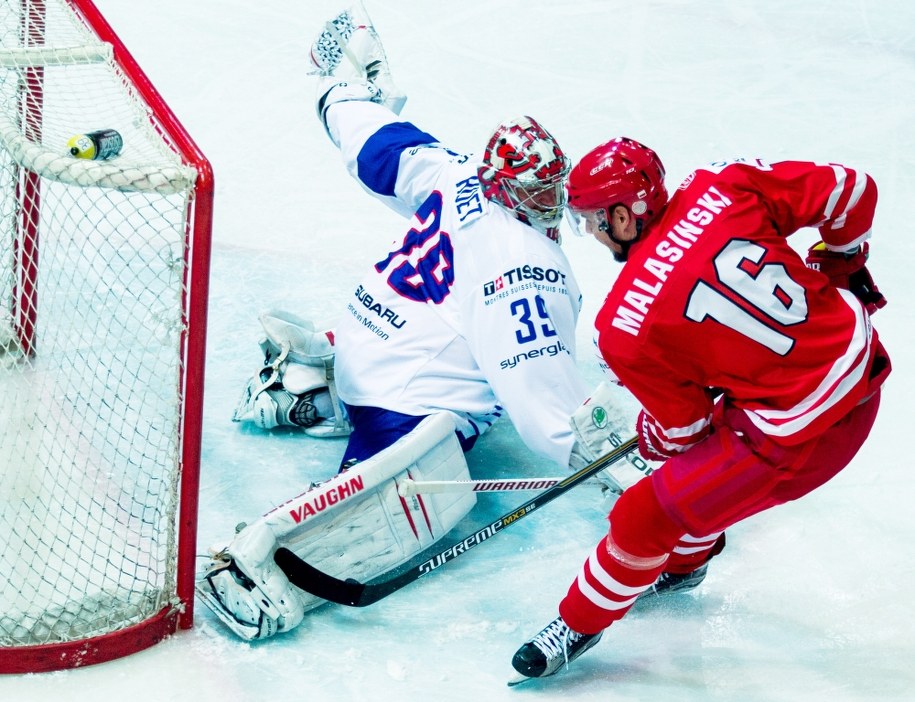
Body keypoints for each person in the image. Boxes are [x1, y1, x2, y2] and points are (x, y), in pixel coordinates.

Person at [198, 4, 645, 642]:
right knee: (406, 497)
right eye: (537, 196)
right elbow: (539, 390)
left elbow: (375, 141)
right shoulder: (527, 266)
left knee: (435, 334)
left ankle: (309, 388)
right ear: (508, 192)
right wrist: (618, 467)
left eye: (554, 189)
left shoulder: (458, 170)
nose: (550, 207)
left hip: (362, 337)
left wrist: (339, 89)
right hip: (405, 402)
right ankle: (258, 565)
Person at [509, 138, 891, 681]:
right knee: (701, 479)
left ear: (622, 215)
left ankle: (577, 624)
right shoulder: (725, 182)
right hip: (865, 372)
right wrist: (843, 265)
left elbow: (683, 429)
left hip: (800, 439)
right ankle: (688, 564)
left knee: (643, 516)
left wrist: (652, 435)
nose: (592, 233)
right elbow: (853, 190)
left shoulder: (623, 326)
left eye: (594, 221)